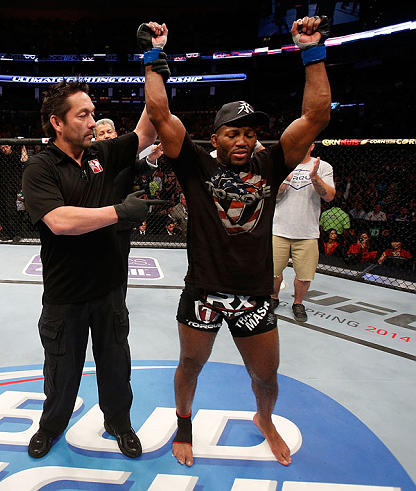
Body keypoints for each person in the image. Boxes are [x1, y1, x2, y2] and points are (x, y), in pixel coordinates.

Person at [140, 16, 331, 467]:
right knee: (190, 366)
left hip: (254, 295)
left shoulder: (271, 163)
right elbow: (160, 114)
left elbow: (317, 115)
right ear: (216, 138)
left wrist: (311, 50)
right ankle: (183, 423)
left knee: (267, 379)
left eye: (250, 132)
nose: (244, 139)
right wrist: (154, 56)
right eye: (234, 132)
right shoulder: (194, 165)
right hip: (204, 290)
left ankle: (264, 419)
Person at [22, 80, 163, 460]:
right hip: (65, 293)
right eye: (82, 114)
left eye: (92, 113)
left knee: (116, 364)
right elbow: (59, 220)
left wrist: (154, 64)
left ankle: (119, 422)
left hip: (108, 287)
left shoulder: (101, 154)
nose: (91, 121)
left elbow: (147, 129)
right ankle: (51, 425)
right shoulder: (40, 167)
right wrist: (120, 212)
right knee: (61, 371)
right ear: (56, 122)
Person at [94, 117, 161, 297]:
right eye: (101, 134)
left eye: (109, 132)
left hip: (120, 221)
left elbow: (139, 168)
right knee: (94, 264)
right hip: (95, 220)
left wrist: (151, 159)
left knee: (120, 264)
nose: (106, 136)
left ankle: (118, 304)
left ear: (116, 134)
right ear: (96, 139)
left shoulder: (127, 153)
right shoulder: (90, 157)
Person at [271, 143, 335, 322]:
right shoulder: (281, 166)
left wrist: (315, 177)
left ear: (312, 145)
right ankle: (273, 298)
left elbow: (329, 196)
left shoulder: (323, 166)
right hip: (279, 228)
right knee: (273, 272)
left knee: (305, 275)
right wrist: (285, 180)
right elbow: (272, 195)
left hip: (307, 231)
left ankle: (298, 303)